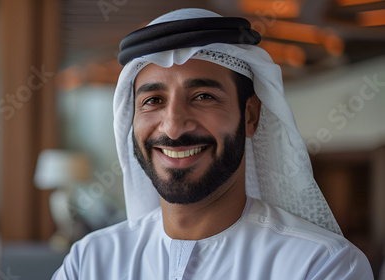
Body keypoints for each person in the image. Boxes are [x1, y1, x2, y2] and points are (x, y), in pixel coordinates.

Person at [52, 8, 373, 279]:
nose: (174, 126)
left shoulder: (320, 265)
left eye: (203, 96)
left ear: (250, 116)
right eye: (153, 100)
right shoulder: (90, 262)